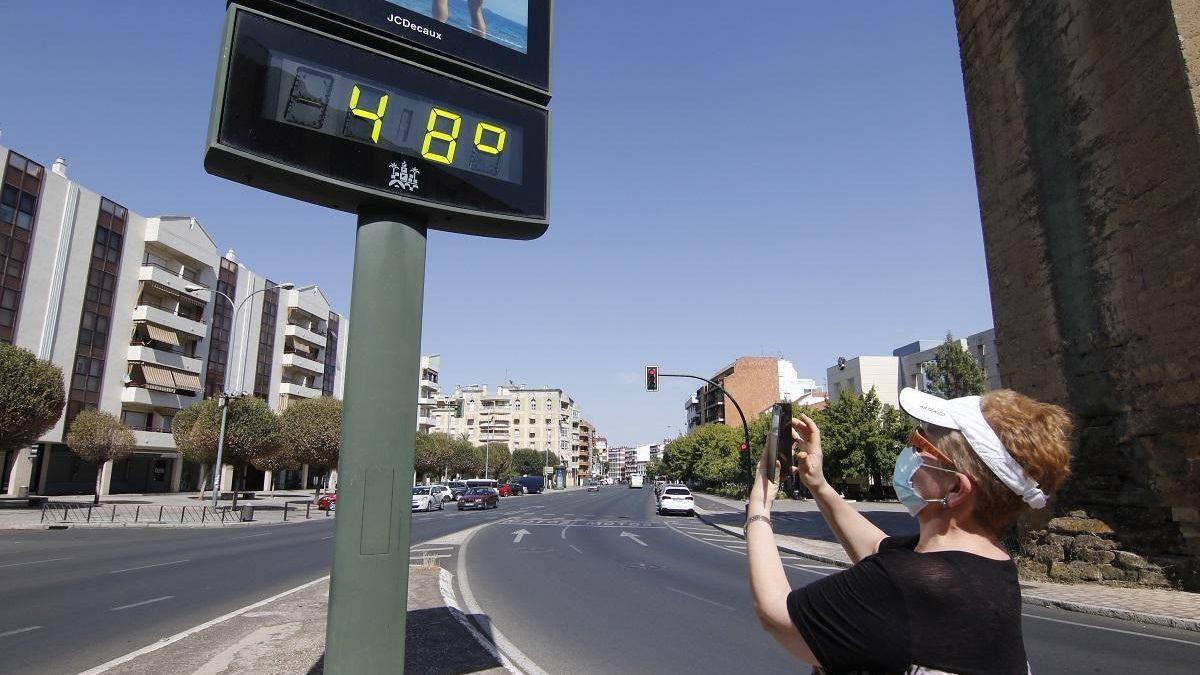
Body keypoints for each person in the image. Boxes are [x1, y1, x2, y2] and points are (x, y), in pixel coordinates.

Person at [746, 388, 1073, 674]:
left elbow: (777, 614)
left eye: (921, 444)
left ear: (957, 490)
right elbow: (878, 547)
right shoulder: (985, 564)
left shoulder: (912, 583)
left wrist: (760, 503)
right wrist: (818, 484)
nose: (909, 451)